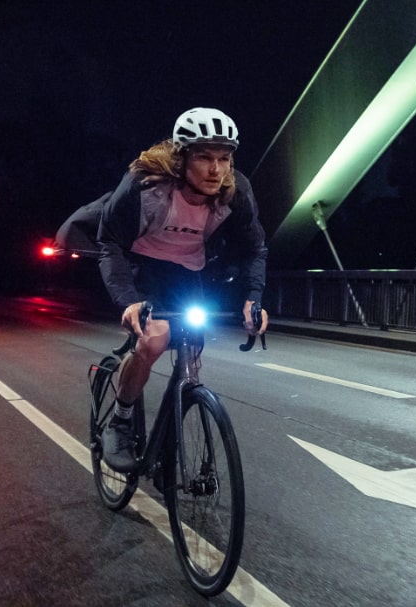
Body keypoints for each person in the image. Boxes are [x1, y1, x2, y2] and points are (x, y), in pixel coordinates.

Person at [97, 107, 268, 472]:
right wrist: (128, 301)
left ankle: (170, 441)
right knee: (154, 340)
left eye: (224, 158)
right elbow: (109, 242)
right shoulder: (145, 183)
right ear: (181, 157)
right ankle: (120, 422)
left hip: (189, 270)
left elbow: (255, 248)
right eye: (204, 157)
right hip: (141, 265)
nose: (216, 170)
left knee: (192, 347)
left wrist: (253, 300)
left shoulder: (235, 191)